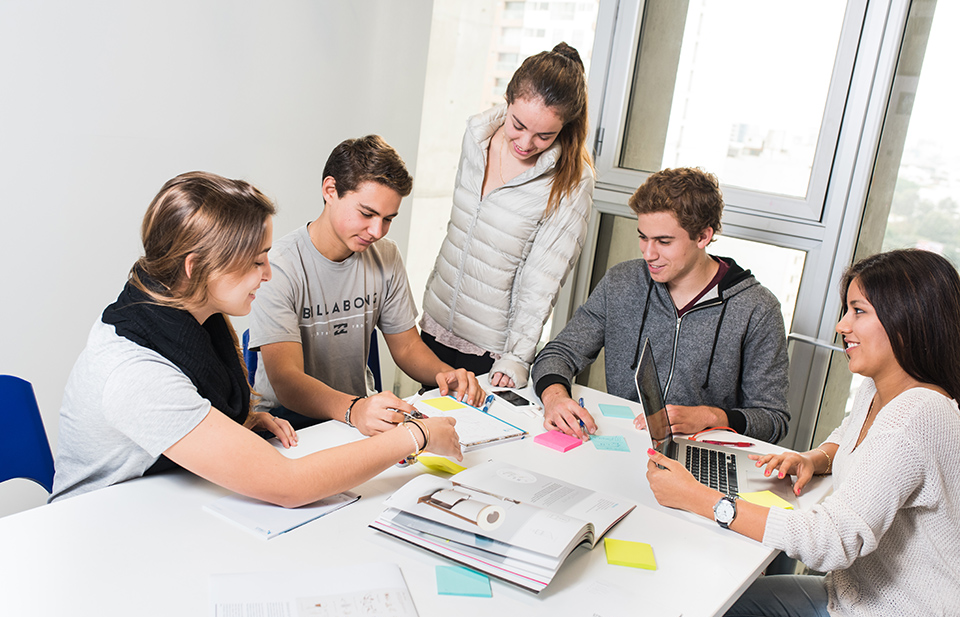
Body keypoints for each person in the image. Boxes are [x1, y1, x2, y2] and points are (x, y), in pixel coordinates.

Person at [51, 172, 461, 505]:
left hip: (160, 505)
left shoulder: (183, 314)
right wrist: (417, 435)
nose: (267, 274)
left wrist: (232, 426)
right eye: (254, 262)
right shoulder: (135, 371)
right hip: (102, 528)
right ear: (196, 267)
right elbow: (290, 485)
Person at [647, 249, 960, 617]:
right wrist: (814, 458)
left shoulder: (917, 414)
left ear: (907, 320)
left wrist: (699, 498)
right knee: (699, 610)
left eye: (858, 311)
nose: (841, 325)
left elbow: (830, 542)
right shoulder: (880, 389)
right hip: (852, 598)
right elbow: (848, 436)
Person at [531, 167, 789, 442]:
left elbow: (774, 419)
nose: (648, 253)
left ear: (703, 237)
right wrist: (554, 397)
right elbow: (559, 353)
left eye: (664, 242)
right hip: (623, 443)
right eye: (643, 237)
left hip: (699, 457)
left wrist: (712, 418)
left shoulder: (757, 309)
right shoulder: (623, 282)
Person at [248, 135, 484, 433]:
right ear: (330, 190)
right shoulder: (279, 265)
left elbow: (408, 346)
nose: (377, 231)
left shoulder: (386, 256)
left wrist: (447, 374)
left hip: (357, 418)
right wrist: (354, 410)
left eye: (388, 219)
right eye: (367, 213)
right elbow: (286, 380)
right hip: (288, 426)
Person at [420, 42, 595, 389]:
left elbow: (543, 280)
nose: (526, 143)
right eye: (518, 125)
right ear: (508, 98)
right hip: (437, 322)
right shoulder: (476, 137)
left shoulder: (571, 180)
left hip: (490, 349)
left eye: (545, 135)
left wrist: (517, 356)